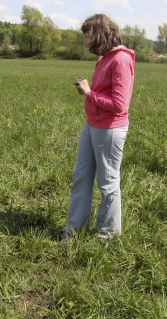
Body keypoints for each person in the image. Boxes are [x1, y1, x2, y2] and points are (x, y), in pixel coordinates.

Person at [64, 14, 135, 241]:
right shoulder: (104, 58)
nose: (87, 43)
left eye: (89, 36)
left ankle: (109, 234)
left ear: (100, 34)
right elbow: (103, 94)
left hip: (110, 128)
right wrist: (90, 93)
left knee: (107, 183)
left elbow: (119, 104)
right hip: (92, 124)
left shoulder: (120, 60)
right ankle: (74, 230)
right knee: (81, 177)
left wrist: (89, 92)